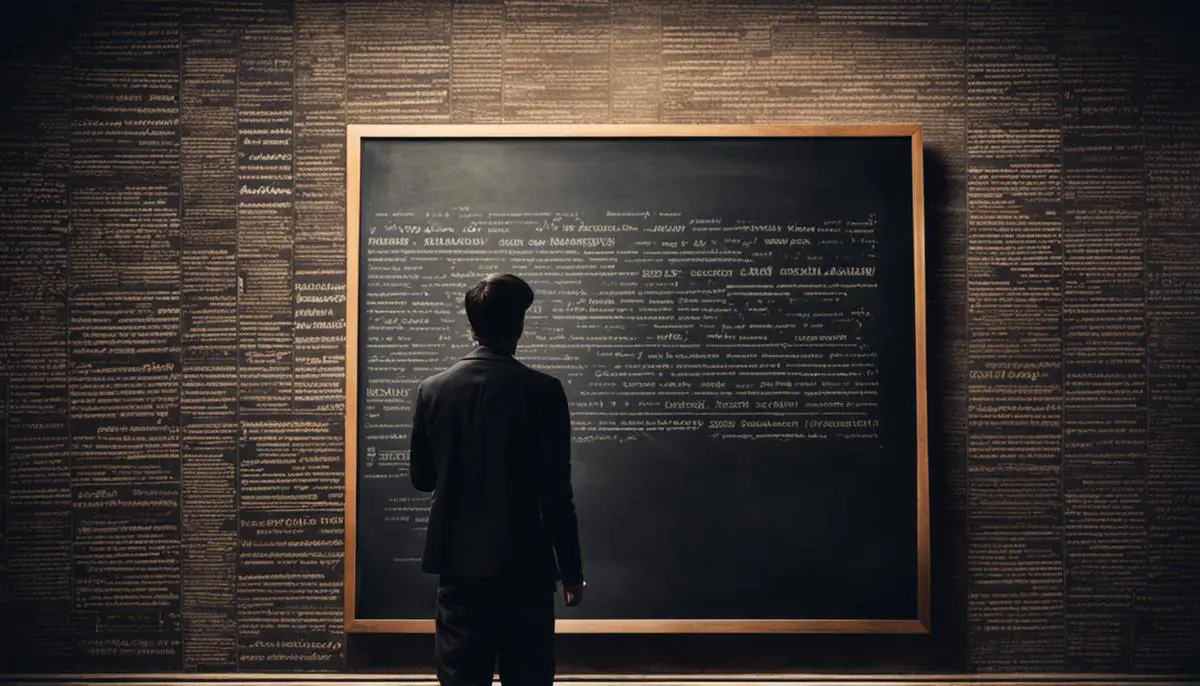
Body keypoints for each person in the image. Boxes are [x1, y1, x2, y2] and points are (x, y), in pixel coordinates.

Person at [409, 273, 584, 686]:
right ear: (519, 326)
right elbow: (557, 495)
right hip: (526, 569)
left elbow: (422, 478)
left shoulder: (432, 390)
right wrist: (572, 572)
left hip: (459, 570)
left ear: (473, 326)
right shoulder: (544, 391)